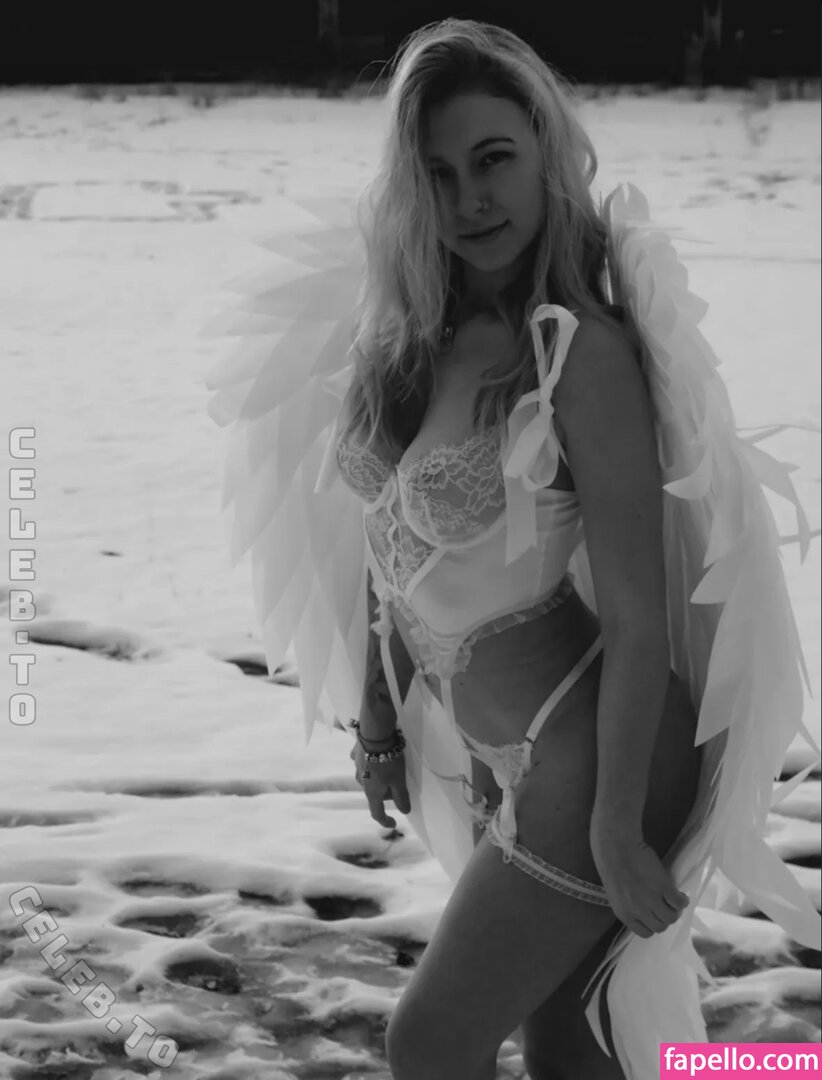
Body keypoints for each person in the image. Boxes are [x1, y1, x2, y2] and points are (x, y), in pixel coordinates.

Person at [205, 17, 819, 1080]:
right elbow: (386, 548)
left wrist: (619, 831)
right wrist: (378, 723)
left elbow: (639, 621)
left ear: (548, 153)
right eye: (439, 176)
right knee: (569, 1056)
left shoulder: (579, 354)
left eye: (494, 160)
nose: (470, 201)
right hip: (506, 760)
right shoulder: (410, 336)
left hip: (605, 765)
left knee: (428, 1041)